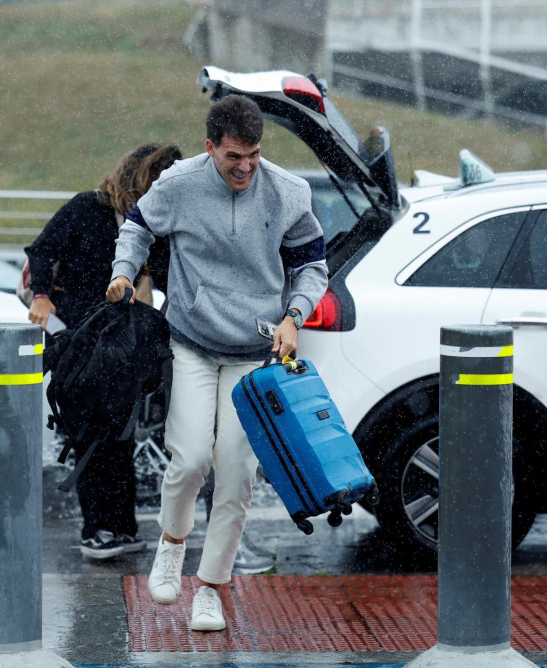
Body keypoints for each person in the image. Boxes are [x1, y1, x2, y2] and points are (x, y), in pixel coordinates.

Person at [105, 95, 327, 632]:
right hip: (193, 343)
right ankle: (172, 542)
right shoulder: (179, 184)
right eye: (234, 157)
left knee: (236, 472)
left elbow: (313, 266)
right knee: (188, 459)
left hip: (255, 353)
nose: (245, 167)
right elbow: (137, 227)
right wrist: (123, 270)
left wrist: (294, 317)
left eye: (253, 155)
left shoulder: (289, 192)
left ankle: (210, 586)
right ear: (210, 148)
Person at [24, 142, 182, 560]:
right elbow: (42, 251)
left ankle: (122, 529)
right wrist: (41, 295)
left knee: (120, 436)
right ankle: (96, 530)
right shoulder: (87, 209)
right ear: (139, 180)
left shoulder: (155, 224)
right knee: (91, 438)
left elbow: (168, 275)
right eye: (157, 184)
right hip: (78, 341)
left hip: (120, 347)